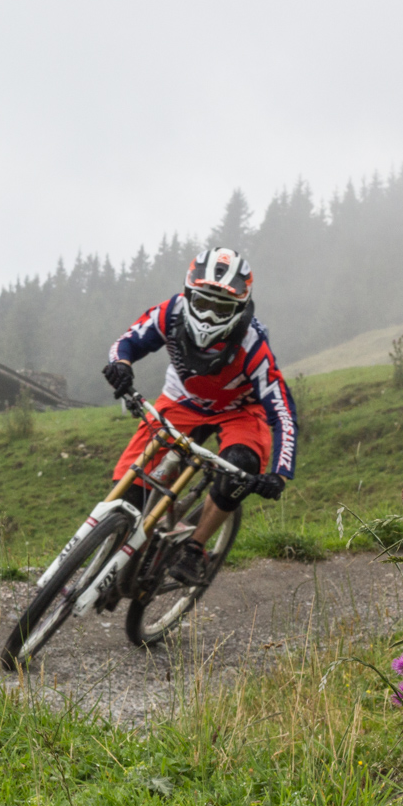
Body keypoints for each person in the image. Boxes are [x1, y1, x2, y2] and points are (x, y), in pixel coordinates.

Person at [101, 247, 297, 585]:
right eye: (202, 302)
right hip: (181, 402)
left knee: (240, 466)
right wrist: (121, 366)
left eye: (221, 307)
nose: (208, 314)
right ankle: (116, 553)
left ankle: (195, 548)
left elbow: (282, 413)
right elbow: (128, 342)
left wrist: (279, 474)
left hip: (239, 412)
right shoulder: (171, 312)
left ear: (239, 308)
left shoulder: (253, 344)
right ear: (189, 294)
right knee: (128, 491)